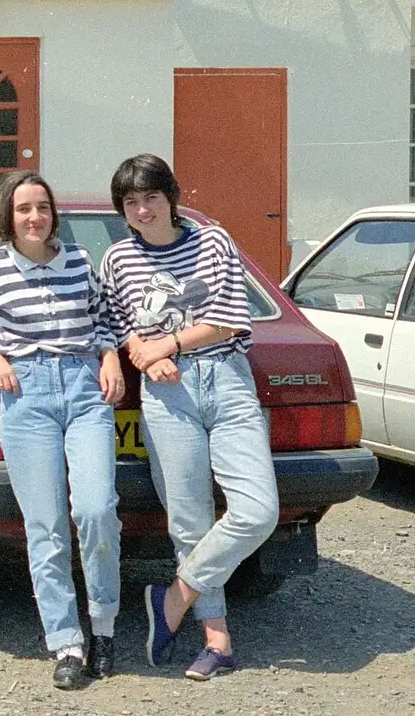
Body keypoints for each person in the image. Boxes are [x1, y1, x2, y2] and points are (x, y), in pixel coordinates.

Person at [98, 153, 279, 681]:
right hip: (166, 399)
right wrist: (143, 355)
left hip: (225, 379)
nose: (142, 209)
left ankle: (171, 599)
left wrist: (166, 345)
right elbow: (115, 326)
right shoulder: (117, 261)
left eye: (151, 197)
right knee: (189, 522)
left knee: (257, 509)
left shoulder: (213, 241)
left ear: (170, 197)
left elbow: (228, 318)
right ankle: (217, 641)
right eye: (130, 202)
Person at [0, 171, 124, 689]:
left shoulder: (79, 261)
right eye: (23, 208)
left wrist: (110, 358)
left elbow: (103, 321)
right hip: (25, 397)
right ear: (9, 214)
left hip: (84, 389)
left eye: (42, 207)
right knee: (45, 526)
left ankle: (105, 626)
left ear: (53, 213)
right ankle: (66, 643)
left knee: (96, 509)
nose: (34, 217)